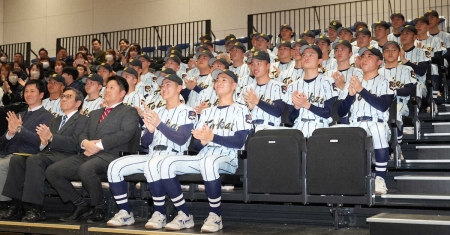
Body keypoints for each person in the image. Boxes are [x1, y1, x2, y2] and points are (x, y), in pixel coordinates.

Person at [157, 69, 252, 232]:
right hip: (204, 155)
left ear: (234, 85)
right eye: (217, 80)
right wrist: (202, 141)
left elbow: (239, 141)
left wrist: (212, 137)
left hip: (228, 157)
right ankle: (184, 214)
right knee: (165, 163)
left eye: (224, 79)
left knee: (209, 162)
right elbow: (196, 145)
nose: (219, 82)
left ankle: (215, 216)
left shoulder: (242, 109)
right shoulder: (207, 112)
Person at [45, 76, 140, 223]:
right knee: (53, 171)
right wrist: (85, 143)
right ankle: (80, 204)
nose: (107, 90)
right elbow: (83, 133)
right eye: (106, 87)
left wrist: (98, 146)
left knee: (86, 169)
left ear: (122, 93)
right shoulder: (95, 113)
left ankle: (99, 207)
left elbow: (126, 134)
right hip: (88, 153)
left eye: (112, 87)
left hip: (114, 155)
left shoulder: (128, 111)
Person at [106, 73, 195, 228]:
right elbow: (145, 143)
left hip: (175, 155)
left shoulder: (187, 111)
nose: (164, 87)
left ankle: (175, 214)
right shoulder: (156, 111)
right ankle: (125, 213)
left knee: (153, 164)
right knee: (115, 166)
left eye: (169, 84)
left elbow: (181, 139)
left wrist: (159, 124)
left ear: (179, 88)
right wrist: (151, 131)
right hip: (153, 154)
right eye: (162, 85)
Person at [0, 87, 87, 222]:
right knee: (17, 159)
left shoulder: (83, 120)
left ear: (78, 103)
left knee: (36, 160)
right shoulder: (55, 120)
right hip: (49, 154)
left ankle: (35, 208)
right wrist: (44, 142)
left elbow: (76, 144)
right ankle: (14, 204)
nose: (63, 99)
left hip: (69, 156)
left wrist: (51, 138)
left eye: (68, 96)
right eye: (62, 96)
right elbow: (43, 144)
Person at [337, 46, 394, 195]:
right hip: (356, 124)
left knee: (377, 129)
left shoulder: (385, 82)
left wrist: (361, 90)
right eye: (363, 57)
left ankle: (380, 178)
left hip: (377, 122)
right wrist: (350, 96)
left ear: (379, 62)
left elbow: (383, 106)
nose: (365, 59)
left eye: (370, 56)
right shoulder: (353, 82)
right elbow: (340, 112)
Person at [0, 80, 54, 213]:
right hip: (9, 154)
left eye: (32, 91)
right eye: (26, 91)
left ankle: (5, 204)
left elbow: (39, 142)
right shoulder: (19, 114)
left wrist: (20, 129)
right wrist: (10, 134)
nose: (28, 94)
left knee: (3, 165)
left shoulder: (47, 117)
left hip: (28, 156)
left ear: (41, 95)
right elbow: (2, 141)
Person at [285, 45, 336, 137]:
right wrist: (296, 108)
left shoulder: (328, 81)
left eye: (311, 55)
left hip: (320, 127)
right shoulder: (293, 86)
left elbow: (328, 112)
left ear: (320, 61)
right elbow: (290, 119)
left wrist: (307, 105)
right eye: (304, 55)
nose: (306, 57)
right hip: (298, 127)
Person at [379, 41, 416, 154]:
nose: (390, 52)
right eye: (387, 50)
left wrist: (391, 92)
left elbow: (408, 90)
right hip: (380, 105)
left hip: (400, 104)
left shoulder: (407, 69)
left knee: (395, 111)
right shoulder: (377, 72)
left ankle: (396, 147)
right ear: (383, 53)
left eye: (394, 50)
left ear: (399, 53)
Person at [236, 50, 286, 129]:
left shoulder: (279, 87)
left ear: (267, 66)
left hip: (271, 130)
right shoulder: (246, 89)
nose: (255, 67)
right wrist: (250, 109)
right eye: (252, 64)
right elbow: (238, 114)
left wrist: (257, 101)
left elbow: (278, 112)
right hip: (251, 129)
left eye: (259, 63)